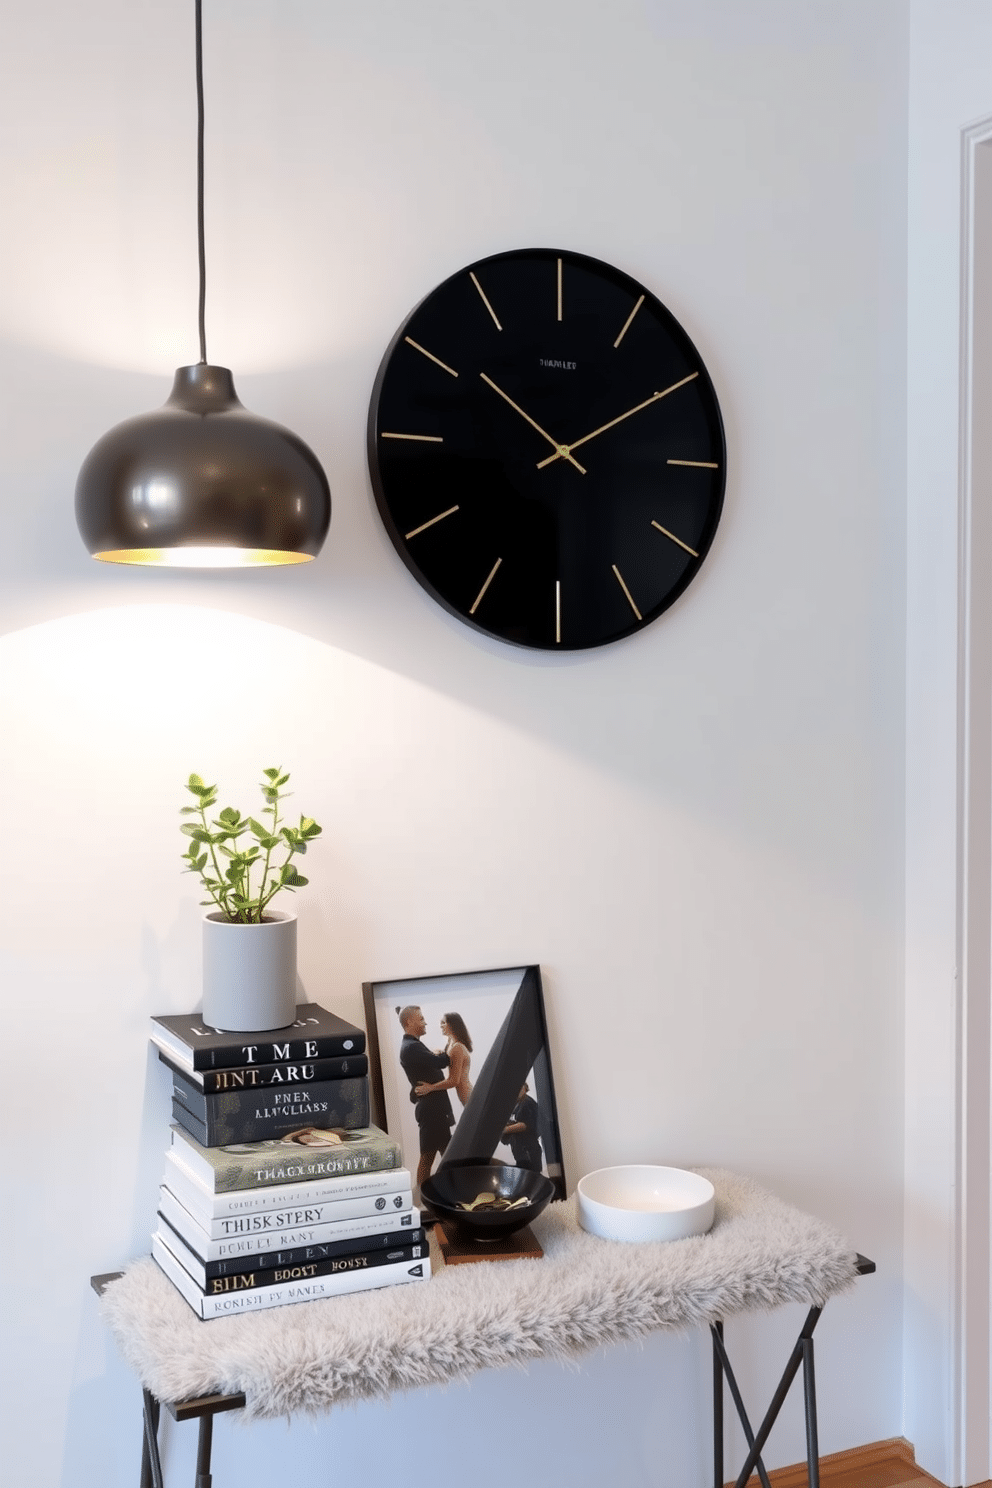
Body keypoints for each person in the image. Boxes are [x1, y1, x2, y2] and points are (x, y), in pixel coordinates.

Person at [397, 1005, 454, 1191]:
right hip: (432, 1111)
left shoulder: (412, 1046)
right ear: (409, 1022)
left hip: (434, 1109)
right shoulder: (411, 1047)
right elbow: (441, 1062)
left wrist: (436, 1055)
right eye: (421, 1019)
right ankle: (422, 1200)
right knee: (428, 1158)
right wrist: (446, 1049)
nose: (425, 1022)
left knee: (449, 1155)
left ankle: (449, 1192)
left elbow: (429, 1068)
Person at [414, 1012, 474, 1108]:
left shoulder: (457, 1047)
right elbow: (448, 1058)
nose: (441, 1026)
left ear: (452, 1025)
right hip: (466, 1097)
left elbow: (454, 1081)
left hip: (469, 1097)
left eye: (443, 1023)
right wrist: (439, 1052)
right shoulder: (450, 1043)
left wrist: (430, 1088)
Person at [502, 1082, 543, 1172]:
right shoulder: (516, 1104)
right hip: (520, 1152)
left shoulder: (527, 1103)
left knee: (531, 1177)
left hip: (529, 1151)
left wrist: (504, 1130)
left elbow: (524, 1125)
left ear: (524, 1088)